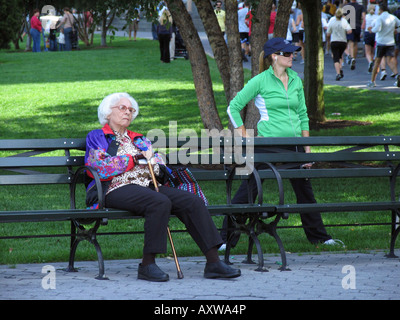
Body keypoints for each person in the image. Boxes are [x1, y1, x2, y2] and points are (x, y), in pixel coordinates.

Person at [85, 93, 241, 282]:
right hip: (114, 188)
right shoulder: (98, 136)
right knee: (159, 201)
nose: (128, 112)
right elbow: (99, 167)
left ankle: (214, 263)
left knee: (191, 201)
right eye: (122, 108)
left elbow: (159, 165)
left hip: (147, 185)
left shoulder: (138, 139)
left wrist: (155, 162)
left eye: (131, 110)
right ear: (108, 113)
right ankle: (147, 264)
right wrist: (134, 159)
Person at [222, 38, 343, 248]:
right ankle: (224, 240)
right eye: (287, 53)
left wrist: (307, 149)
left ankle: (320, 238)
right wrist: (246, 136)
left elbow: (303, 115)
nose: (292, 56)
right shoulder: (260, 80)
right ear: (274, 56)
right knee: (248, 190)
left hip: (294, 145)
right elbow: (233, 107)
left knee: (305, 192)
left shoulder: (296, 79)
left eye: (293, 53)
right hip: (267, 145)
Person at [367, 3, 400, 88]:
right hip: (390, 42)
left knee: (377, 62)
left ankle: (372, 81)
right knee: (390, 61)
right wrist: (396, 30)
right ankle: (397, 75)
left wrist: (371, 30)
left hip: (381, 42)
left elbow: (377, 29)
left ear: (380, 10)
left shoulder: (380, 18)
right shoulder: (393, 17)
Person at [326, 8, 352, 81]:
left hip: (334, 41)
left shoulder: (332, 21)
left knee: (336, 58)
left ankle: (338, 73)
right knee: (340, 56)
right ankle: (340, 69)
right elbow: (349, 31)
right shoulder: (344, 21)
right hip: (343, 41)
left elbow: (328, 34)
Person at [346, 0, 366, 71]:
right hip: (357, 25)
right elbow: (364, 17)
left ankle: (351, 57)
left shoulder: (346, 6)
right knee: (356, 42)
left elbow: (344, 17)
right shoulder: (360, 6)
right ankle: (354, 57)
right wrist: (363, 24)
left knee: (350, 42)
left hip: (349, 25)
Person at [362, 4, 378, 73]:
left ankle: (370, 62)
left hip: (367, 33)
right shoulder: (377, 17)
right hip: (374, 33)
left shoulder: (366, 17)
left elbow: (363, 26)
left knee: (367, 52)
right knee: (372, 51)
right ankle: (373, 65)